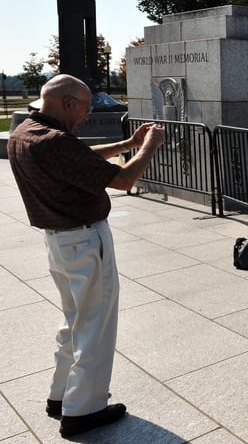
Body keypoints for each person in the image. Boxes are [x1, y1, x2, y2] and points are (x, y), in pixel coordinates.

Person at [6, 74, 165, 438]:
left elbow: (78, 158)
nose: (86, 116)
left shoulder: (26, 131)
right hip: (83, 241)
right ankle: (84, 410)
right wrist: (149, 146)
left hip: (59, 244)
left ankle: (61, 396)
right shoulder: (55, 141)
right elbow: (124, 180)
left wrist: (126, 142)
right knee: (95, 326)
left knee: (74, 320)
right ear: (67, 102)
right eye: (85, 109)